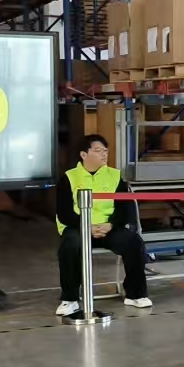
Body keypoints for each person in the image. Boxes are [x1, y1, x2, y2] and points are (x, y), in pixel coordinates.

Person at [55, 135, 151, 315]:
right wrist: (87, 226)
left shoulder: (114, 176)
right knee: (70, 245)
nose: (104, 154)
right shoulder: (69, 178)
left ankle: (135, 294)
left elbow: (125, 210)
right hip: (79, 228)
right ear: (84, 154)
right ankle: (70, 299)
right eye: (98, 151)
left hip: (108, 228)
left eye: (105, 151)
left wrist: (111, 224)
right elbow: (64, 213)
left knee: (133, 242)